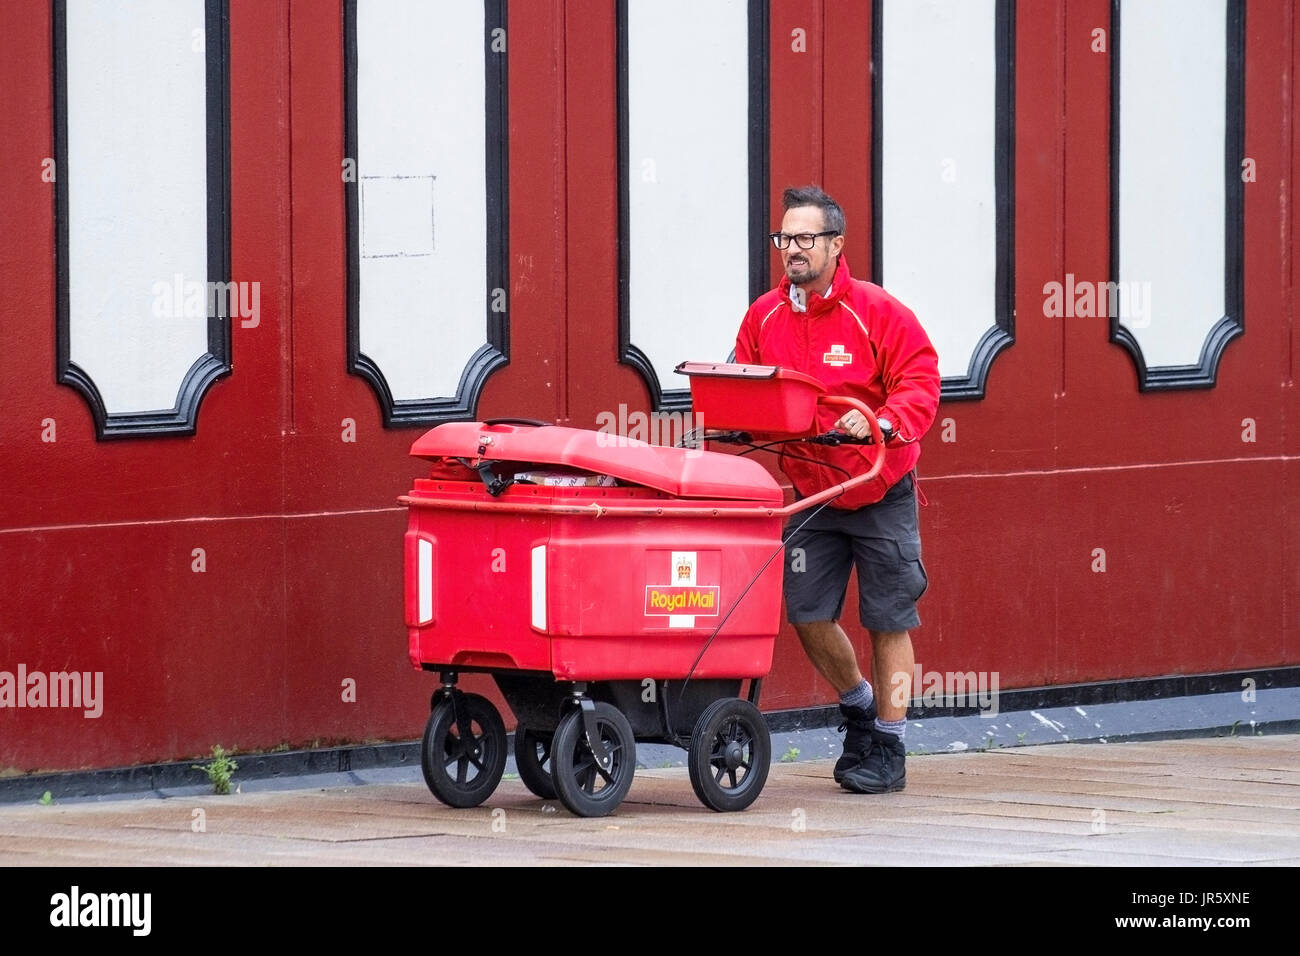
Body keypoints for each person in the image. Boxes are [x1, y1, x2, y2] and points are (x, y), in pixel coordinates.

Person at [734, 185, 940, 793]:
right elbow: (745, 379)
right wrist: (737, 414)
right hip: (812, 493)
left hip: (880, 485)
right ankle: (859, 709)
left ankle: (891, 746)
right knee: (807, 613)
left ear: (836, 244)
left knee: (888, 620)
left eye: (806, 238)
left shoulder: (877, 311)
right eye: (784, 238)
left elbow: (920, 381)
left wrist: (880, 421)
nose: (792, 249)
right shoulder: (763, 315)